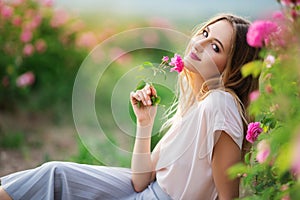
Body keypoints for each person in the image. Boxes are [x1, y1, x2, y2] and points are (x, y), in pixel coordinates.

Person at [0, 13, 260, 200]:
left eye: (215, 47)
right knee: (55, 174)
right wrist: (145, 124)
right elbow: (139, 181)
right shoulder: (197, 107)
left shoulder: (220, 103)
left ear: (232, 69)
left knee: (54, 177)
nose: (200, 44)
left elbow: (228, 195)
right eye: (204, 33)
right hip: (145, 191)